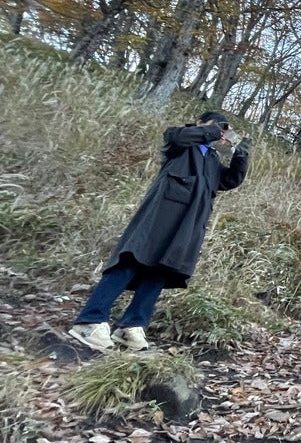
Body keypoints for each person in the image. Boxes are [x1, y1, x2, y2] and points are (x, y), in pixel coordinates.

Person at [67, 111, 250, 352]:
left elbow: (231, 180)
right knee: (131, 261)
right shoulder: (180, 141)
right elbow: (179, 138)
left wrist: (242, 150)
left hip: (188, 225)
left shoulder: (212, 160)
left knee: (161, 270)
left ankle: (131, 326)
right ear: (199, 123)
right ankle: (90, 320)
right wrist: (214, 130)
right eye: (216, 125)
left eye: (224, 128)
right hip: (159, 218)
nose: (221, 131)